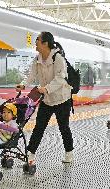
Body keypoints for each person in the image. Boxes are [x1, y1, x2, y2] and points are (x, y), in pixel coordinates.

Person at [16, 31, 74, 164]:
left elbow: (61, 78)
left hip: (62, 99)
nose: (35, 43)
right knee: (39, 127)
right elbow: (31, 74)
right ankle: (30, 154)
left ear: (45, 43)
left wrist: (46, 88)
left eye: (37, 40)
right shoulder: (37, 59)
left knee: (63, 127)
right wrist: (23, 84)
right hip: (47, 100)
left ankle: (69, 153)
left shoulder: (58, 58)